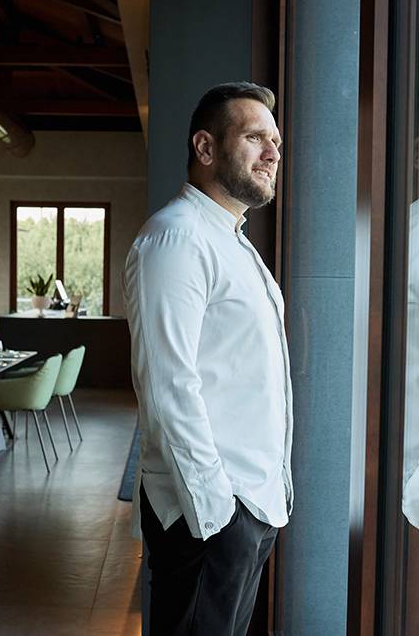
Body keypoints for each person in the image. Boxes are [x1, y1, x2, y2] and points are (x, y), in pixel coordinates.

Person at [123, 82, 293, 635]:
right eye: (254, 138)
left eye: (276, 142)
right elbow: (168, 388)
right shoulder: (175, 239)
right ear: (205, 148)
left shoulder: (233, 242)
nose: (272, 153)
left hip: (250, 504)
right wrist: (218, 514)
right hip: (212, 512)